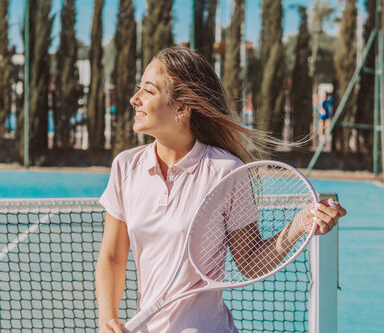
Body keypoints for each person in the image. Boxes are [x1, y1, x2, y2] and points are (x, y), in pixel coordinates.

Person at [95, 46, 346, 333]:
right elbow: (112, 256)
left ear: (182, 106)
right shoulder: (125, 167)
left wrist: (299, 224)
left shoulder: (225, 171)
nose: (134, 99)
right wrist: (107, 318)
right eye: (138, 89)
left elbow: (251, 262)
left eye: (148, 91)